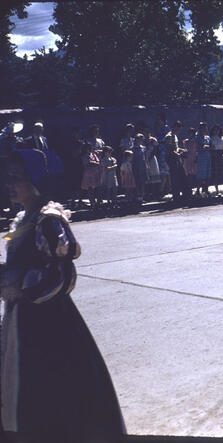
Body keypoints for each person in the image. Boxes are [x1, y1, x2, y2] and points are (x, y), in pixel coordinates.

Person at [0, 150, 126, 441]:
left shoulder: (48, 219)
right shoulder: (22, 219)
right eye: (9, 178)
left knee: (52, 386)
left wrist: (19, 283)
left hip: (46, 321)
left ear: (36, 182)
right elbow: (19, 259)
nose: (10, 184)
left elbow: (62, 273)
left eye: (17, 178)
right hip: (23, 316)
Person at [164, 121, 189, 201]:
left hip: (177, 158)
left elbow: (176, 147)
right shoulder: (169, 136)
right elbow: (169, 149)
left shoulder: (175, 136)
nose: (179, 131)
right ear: (175, 127)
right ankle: (176, 196)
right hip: (172, 158)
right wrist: (178, 154)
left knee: (182, 176)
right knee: (175, 178)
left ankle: (185, 195)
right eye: (179, 129)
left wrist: (182, 150)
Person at [80, 142, 103, 210]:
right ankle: (92, 203)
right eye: (87, 148)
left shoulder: (93, 154)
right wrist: (94, 163)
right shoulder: (84, 156)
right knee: (90, 189)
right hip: (88, 174)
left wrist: (94, 163)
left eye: (90, 147)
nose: (89, 149)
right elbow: (87, 163)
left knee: (97, 188)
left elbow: (98, 162)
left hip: (95, 173)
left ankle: (98, 203)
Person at [211, 125, 223, 196]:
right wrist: (214, 154)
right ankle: (217, 191)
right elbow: (211, 149)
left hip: (222, 156)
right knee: (216, 174)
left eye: (218, 130)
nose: (216, 131)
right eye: (215, 130)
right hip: (215, 156)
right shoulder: (211, 139)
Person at [195, 123, 212, 197]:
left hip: (208, 157)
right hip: (201, 158)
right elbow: (199, 147)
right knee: (200, 175)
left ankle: (206, 189)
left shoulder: (208, 137)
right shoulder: (197, 137)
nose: (205, 130)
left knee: (208, 174)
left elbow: (212, 146)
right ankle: (198, 190)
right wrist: (205, 147)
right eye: (203, 128)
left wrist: (206, 146)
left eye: (206, 128)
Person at [131, 133, 149, 203]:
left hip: (143, 166)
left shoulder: (143, 148)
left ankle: (142, 196)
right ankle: (137, 196)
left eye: (142, 139)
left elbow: (145, 157)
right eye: (139, 139)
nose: (140, 141)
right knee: (137, 182)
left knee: (143, 182)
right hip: (136, 167)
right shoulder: (132, 148)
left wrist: (147, 166)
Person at [183, 127, 199, 193]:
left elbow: (197, 150)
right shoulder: (185, 141)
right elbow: (185, 150)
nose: (190, 134)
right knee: (189, 175)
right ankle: (189, 189)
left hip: (194, 158)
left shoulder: (196, 141)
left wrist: (196, 158)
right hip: (187, 159)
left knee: (196, 174)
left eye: (192, 133)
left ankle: (197, 189)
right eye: (189, 133)